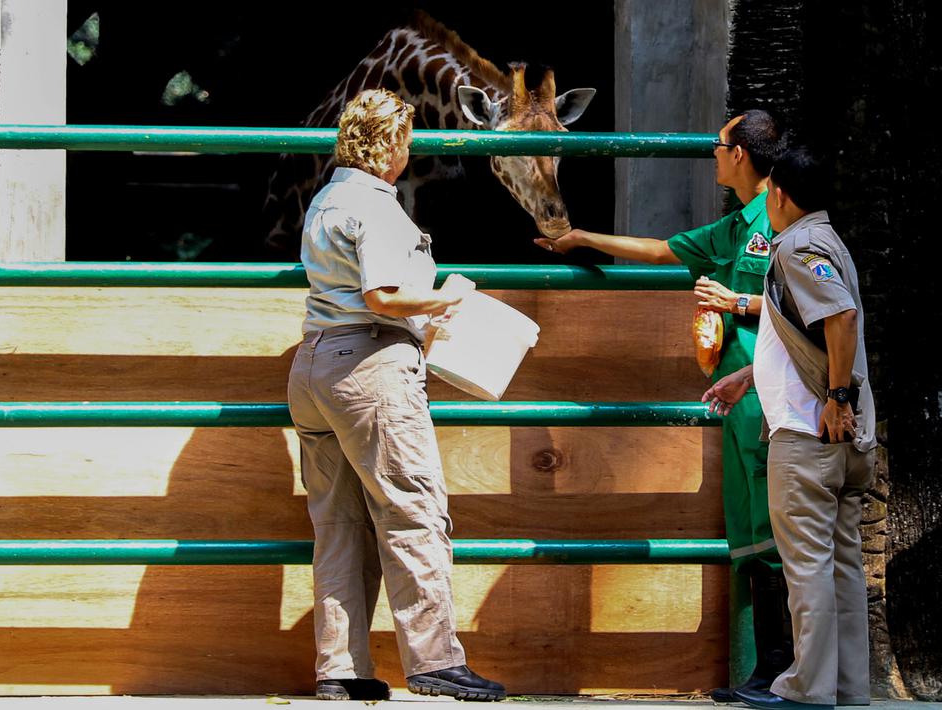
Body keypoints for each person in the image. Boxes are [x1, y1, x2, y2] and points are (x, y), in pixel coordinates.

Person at [536, 109, 792, 700]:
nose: (712, 152)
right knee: (750, 537)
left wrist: (739, 304)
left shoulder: (782, 225)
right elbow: (657, 251)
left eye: (719, 144)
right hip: (734, 401)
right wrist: (580, 239)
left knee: (774, 536)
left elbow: (812, 310)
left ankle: (781, 671)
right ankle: (766, 671)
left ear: (742, 157)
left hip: (765, 397)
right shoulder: (735, 227)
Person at [286, 88, 505, 702]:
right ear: (389, 145)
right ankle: (435, 661)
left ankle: (342, 670)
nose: (408, 153)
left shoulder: (325, 199)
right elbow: (382, 297)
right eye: (405, 141)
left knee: (339, 524)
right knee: (414, 511)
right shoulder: (378, 208)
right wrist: (449, 298)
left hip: (314, 366)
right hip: (369, 370)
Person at [703, 146, 876, 710]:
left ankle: (807, 687)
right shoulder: (828, 241)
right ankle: (847, 687)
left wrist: (836, 397)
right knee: (843, 566)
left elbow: (840, 316)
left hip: (809, 436)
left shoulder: (798, 245)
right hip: (840, 438)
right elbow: (807, 333)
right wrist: (750, 377)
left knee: (807, 569)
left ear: (777, 193)